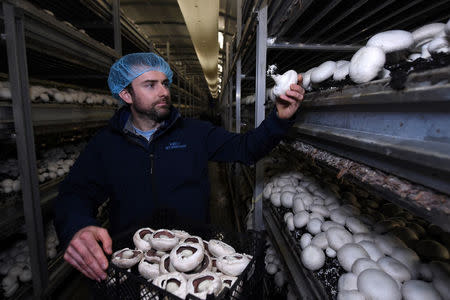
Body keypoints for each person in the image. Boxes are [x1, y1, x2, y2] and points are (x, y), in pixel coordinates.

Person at [54, 52, 305, 282]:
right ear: (126, 95)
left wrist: (279, 119)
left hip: (192, 261)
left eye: (165, 83)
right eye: (150, 85)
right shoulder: (106, 144)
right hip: (135, 262)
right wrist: (77, 226)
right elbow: (74, 192)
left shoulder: (195, 133)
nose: (163, 91)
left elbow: (246, 148)